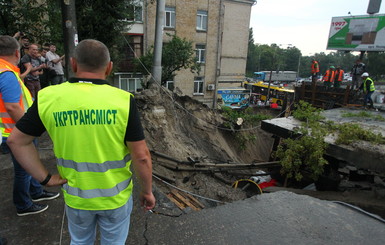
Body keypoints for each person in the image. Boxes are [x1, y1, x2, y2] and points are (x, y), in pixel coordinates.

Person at [7, 39, 156, 244]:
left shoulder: (49, 97)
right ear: (109, 67)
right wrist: (147, 191)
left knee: (80, 241)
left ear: (73, 64)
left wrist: (46, 179)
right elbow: (141, 156)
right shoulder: (123, 100)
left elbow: (16, 141)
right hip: (115, 199)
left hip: (77, 198)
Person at [0, 35, 59, 216]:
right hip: (13, 131)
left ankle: (36, 191)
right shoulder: (7, 74)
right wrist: (27, 129)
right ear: (17, 53)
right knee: (24, 169)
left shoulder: (6, 71)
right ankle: (23, 204)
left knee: (29, 164)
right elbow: (11, 106)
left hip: (11, 129)